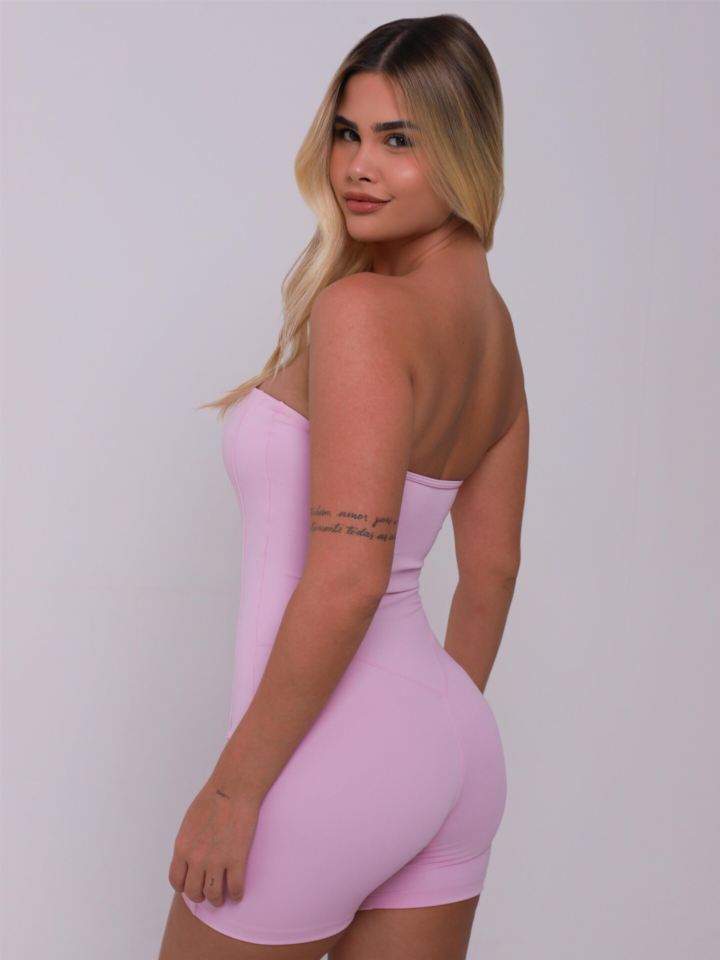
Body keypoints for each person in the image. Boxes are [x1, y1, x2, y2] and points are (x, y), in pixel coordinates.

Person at [159, 13, 528, 960]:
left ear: (466, 150)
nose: (359, 167)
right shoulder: (495, 330)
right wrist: (422, 748)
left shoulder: (362, 310)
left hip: (327, 752)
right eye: (347, 133)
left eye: (399, 140)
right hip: (455, 745)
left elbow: (351, 577)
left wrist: (235, 790)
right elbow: (492, 574)